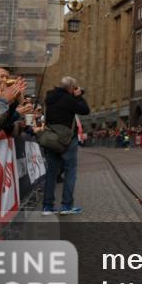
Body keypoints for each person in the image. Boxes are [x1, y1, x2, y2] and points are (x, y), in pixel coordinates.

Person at [40, 76, 90, 215]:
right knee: (70, 171)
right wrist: (78, 97)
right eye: (74, 87)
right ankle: (66, 206)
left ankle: (47, 207)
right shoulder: (69, 99)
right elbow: (85, 110)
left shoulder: (49, 98)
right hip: (68, 139)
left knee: (51, 172)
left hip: (51, 137)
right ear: (70, 88)